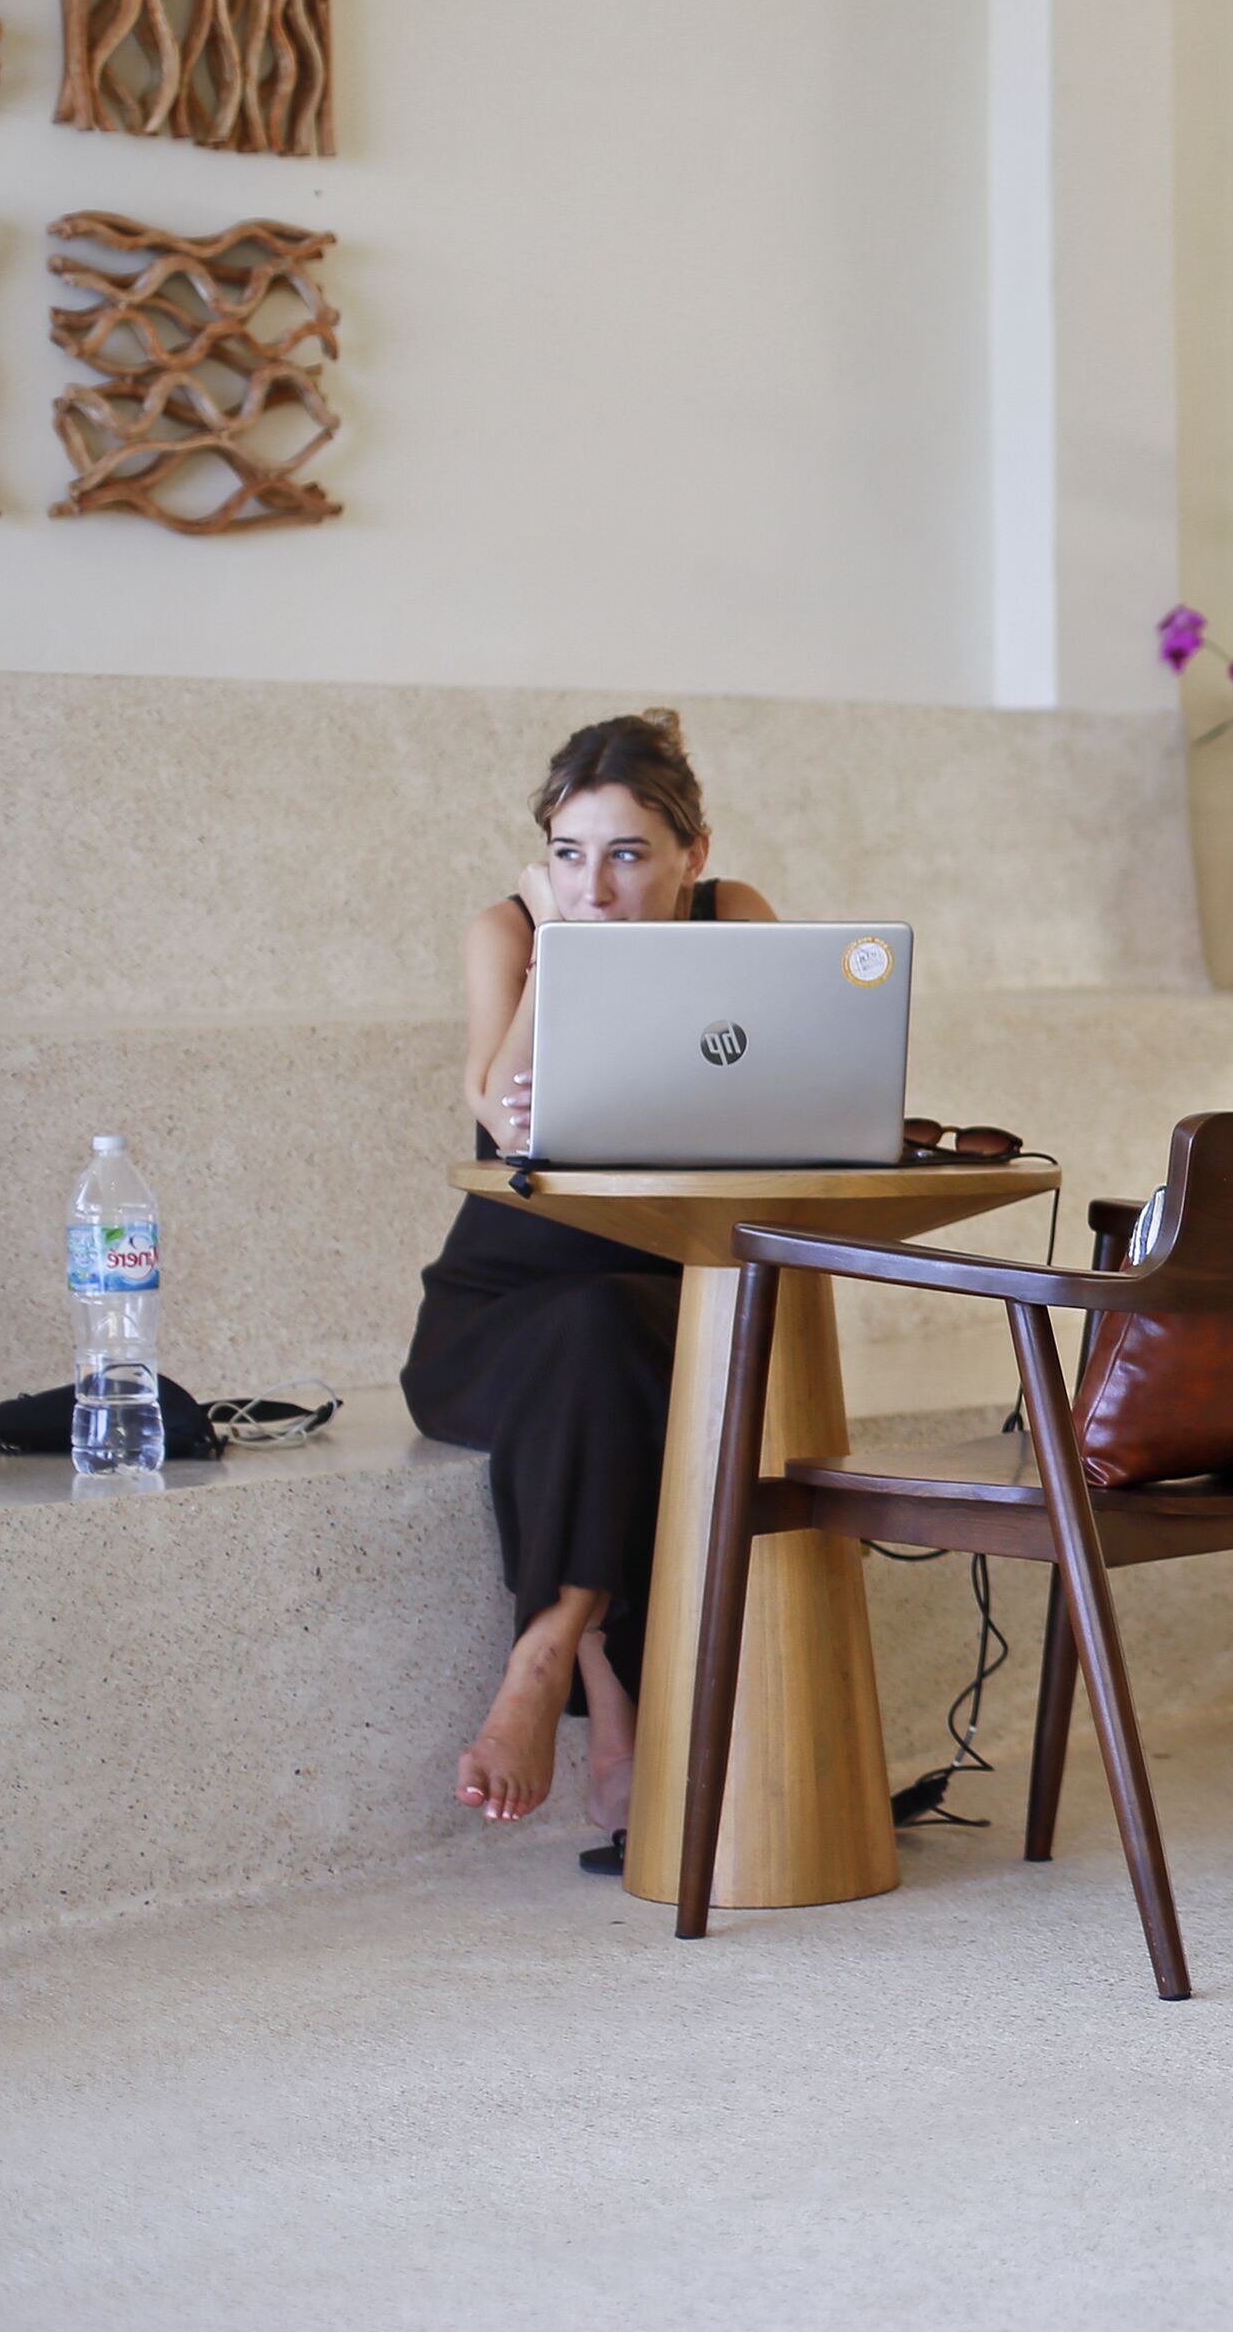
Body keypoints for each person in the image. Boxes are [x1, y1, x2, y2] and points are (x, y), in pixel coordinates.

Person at [402, 711, 774, 1843]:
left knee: (617, 1336)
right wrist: (562, 953)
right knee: (594, 1337)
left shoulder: (736, 919)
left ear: (690, 856)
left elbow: (779, 1095)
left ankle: (564, 1663)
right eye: (570, 852)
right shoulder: (512, 932)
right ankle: (586, 1682)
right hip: (497, 1322)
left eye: (626, 854)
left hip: (671, 1296)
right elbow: (506, 1122)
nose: (596, 884)